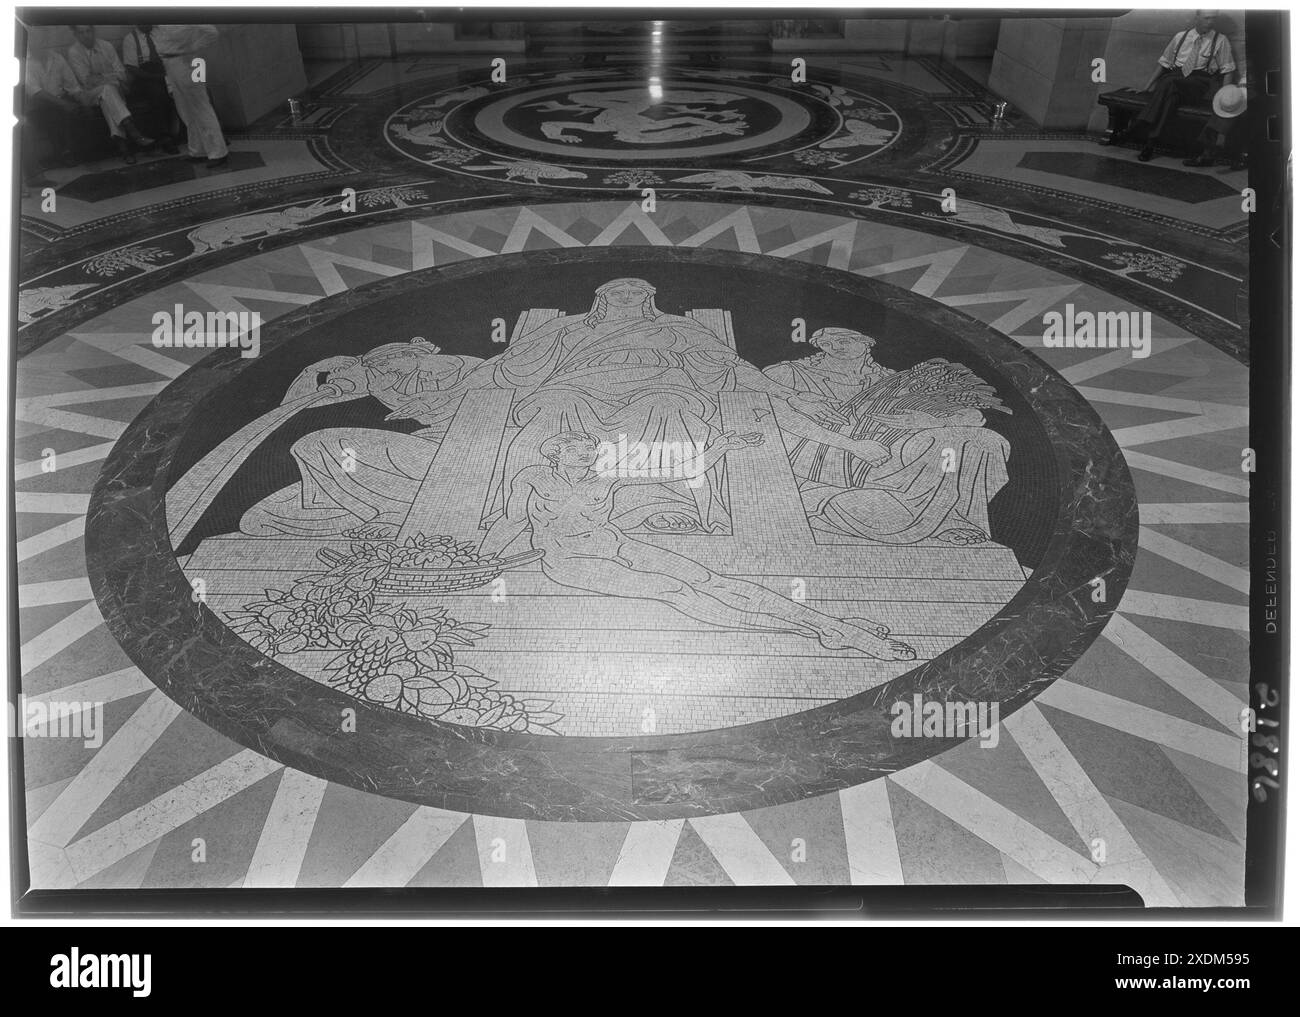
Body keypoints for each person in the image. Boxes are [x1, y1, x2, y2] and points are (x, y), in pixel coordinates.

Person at [388, 278, 889, 534]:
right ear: (602, 298)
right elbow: (506, 365)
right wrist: (448, 397)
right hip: (576, 387)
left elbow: (733, 369)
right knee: (551, 407)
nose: (627, 294)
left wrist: (789, 395)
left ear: (648, 298)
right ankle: (525, 506)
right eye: (618, 289)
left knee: (666, 409)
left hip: (661, 388)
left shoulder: (681, 328)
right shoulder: (565, 330)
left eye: (636, 290)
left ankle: (672, 503)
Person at [479, 431, 917, 662]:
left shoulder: (605, 475)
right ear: (555, 455)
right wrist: (484, 559)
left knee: (713, 580)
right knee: (676, 592)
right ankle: (821, 631)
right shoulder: (534, 477)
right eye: (578, 454)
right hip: (567, 560)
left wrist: (721, 445)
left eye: (591, 452)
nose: (589, 458)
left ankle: (826, 621)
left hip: (614, 543)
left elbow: (679, 470)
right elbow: (511, 519)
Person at [763, 327, 1012, 546]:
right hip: (822, 459)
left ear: (867, 341)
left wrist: (932, 421)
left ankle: (945, 514)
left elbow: (974, 416)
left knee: (984, 441)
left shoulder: (892, 380)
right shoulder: (788, 373)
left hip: (888, 460)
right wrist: (852, 446)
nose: (834, 347)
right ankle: (923, 518)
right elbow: (772, 418)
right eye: (826, 342)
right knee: (859, 505)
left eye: (844, 340)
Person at [239, 339, 483, 537]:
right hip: (424, 447)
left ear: (410, 355)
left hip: (465, 453)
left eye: (387, 364)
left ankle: (391, 511)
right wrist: (312, 371)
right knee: (310, 447)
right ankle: (354, 504)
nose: (385, 371)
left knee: (327, 443)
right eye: (379, 367)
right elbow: (296, 404)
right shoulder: (390, 377)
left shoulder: (476, 369)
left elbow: (470, 412)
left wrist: (388, 393)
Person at [1120, 10, 1236, 162]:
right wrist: (1147, 87)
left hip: (1199, 84)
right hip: (1175, 80)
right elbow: (1163, 64)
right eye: (1207, 18)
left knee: (1168, 82)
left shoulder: (1221, 40)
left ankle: (1140, 123)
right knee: (1170, 98)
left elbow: (1228, 70)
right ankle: (1150, 144)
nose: (1210, 22)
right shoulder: (1180, 37)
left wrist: (1223, 96)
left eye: (1213, 18)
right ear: (1197, 17)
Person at [65, 25, 154, 164]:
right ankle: (134, 133)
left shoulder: (106, 46)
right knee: (107, 91)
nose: (86, 35)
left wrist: (102, 77)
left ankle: (124, 149)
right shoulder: (74, 52)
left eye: (88, 31)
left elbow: (122, 73)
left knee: (107, 97)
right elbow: (86, 81)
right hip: (89, 94)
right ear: (76, 35)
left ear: (93, 31)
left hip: (113, 91)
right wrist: (112, 78)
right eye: (81, 33)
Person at [150, 24, 228, 166]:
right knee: (185, 109)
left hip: (192, 61)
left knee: (201, 106)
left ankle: (218, 152)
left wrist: (194, 47)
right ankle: (198, 150)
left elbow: (212, 32)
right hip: (169, 63)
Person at [22, 46, 80, 178]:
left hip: (60, 100)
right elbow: (35, 92)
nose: (41, 44)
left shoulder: (57, 58)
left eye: (44, 40)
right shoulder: (25, 62)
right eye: (38, 41)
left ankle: (69, 152)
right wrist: (64, 104)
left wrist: (80, 98)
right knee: (54, 113)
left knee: (73, 109)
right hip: (37, 105)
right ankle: (64, 153)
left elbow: (71, 83)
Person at [121, 24, 180, 154]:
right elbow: (132, 68)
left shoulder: (161, 33)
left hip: (166, 69)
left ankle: (205, 130)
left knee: (187, 85)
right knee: (157, 92)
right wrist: (156, 77)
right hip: (144, 76)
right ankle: (165, 137)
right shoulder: (130, 39)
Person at [1183, 82, 1248, 168]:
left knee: (1236, 105)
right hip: (1238, 89)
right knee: (1229, 103)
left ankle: (1210, 152)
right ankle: (1214, 147)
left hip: (1252, 92)